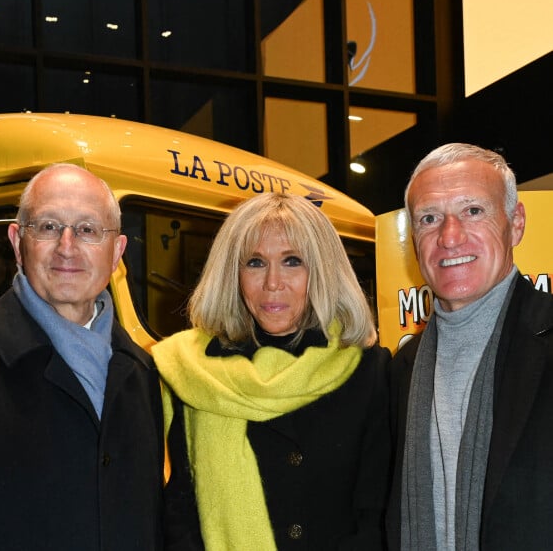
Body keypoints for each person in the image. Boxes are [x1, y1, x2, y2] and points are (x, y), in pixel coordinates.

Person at [153, 191, 391, 551]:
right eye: (255, 263)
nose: (273, 283)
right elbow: (180, 509)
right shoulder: (192, 371)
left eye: (292, 261)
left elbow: (376, 516)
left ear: (323, 272)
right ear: (232, 273)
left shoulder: (368, 370)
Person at [0, 163, 165, 550]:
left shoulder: (141, 372)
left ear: (117, 253)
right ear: (16, 242)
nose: (67, 246)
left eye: (88, 230)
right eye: (47, 227)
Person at [386, 143, 553, 550]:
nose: (449, 236)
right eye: (429, 218)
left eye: (473, 211)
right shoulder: (399, 369)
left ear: (515, 223)